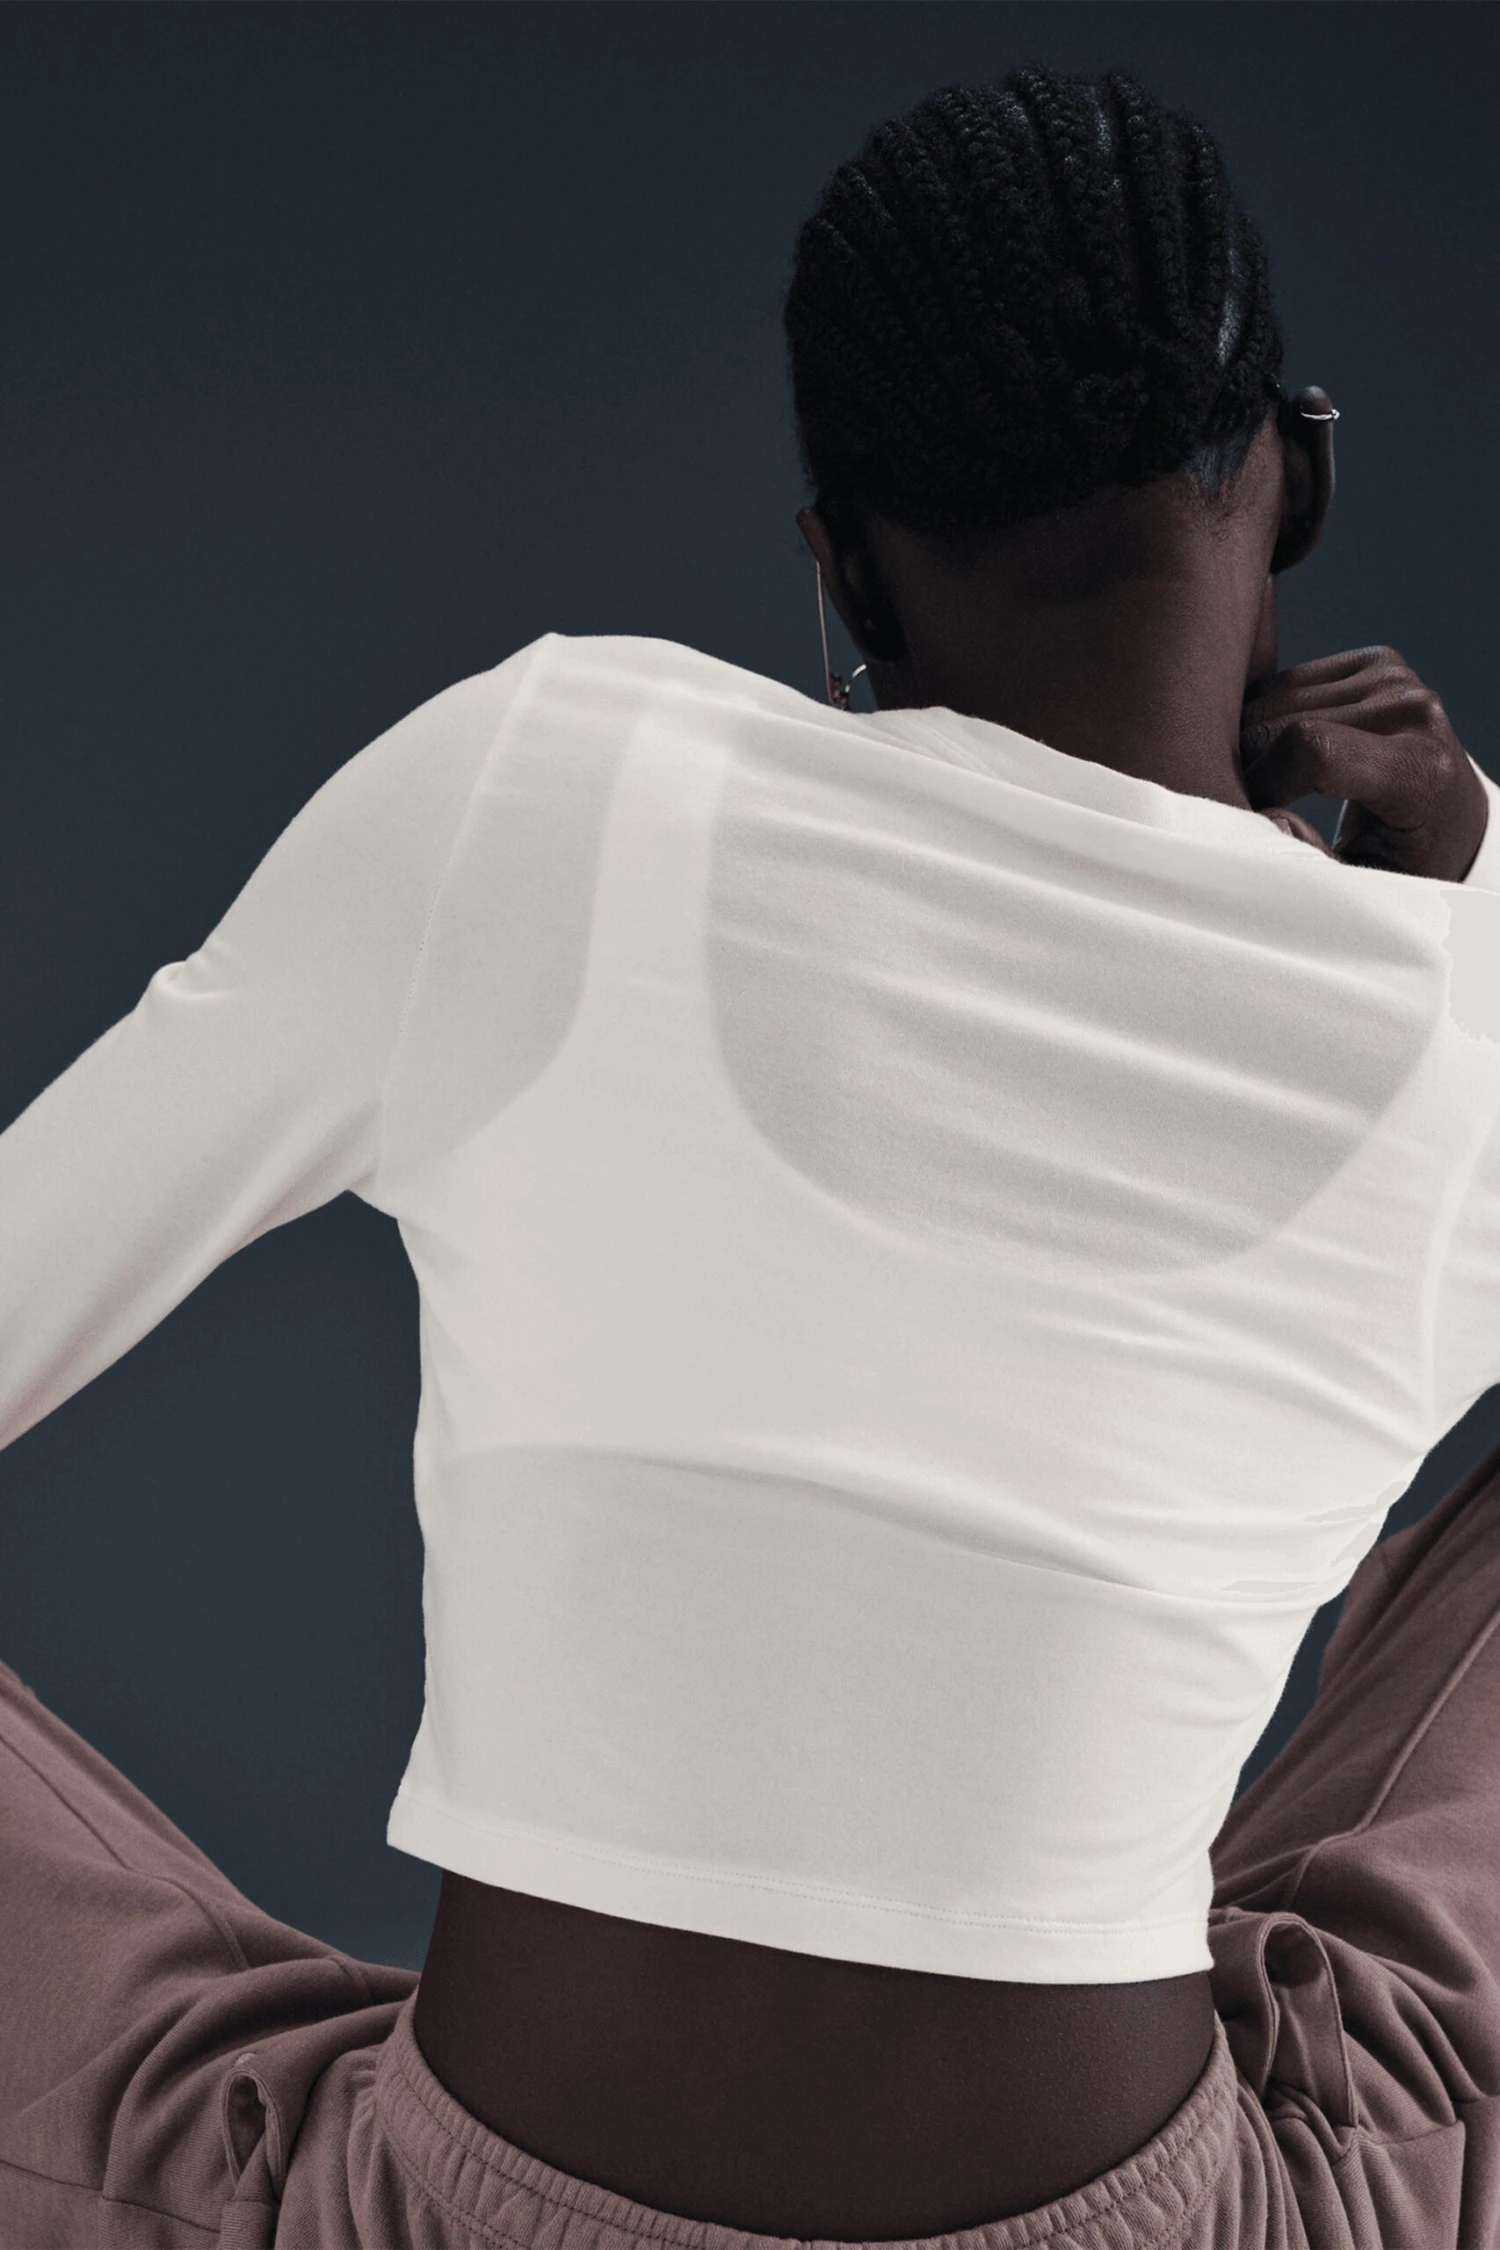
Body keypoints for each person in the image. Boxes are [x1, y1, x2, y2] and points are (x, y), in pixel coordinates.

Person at [2, 56, 1499, 2250]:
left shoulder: (546, 786)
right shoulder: (1460, 1035)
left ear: (841, 571)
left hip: (439, 2216)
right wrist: (1472, 892)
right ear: (1304, 474)